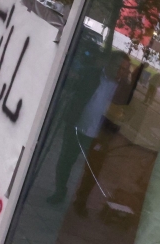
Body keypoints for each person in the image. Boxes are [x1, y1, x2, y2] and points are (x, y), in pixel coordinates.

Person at [48, 49, 132, 210]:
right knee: (65, 161)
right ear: (109, 63)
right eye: (118, 67)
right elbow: (72, 89)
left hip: (99, 136)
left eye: (125, 69)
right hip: (77, 127)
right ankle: (60, 191)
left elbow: (128, 112)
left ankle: (81, 201)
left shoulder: (124, 88)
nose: (121, 72)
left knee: (92, 170)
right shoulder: (91, 74)